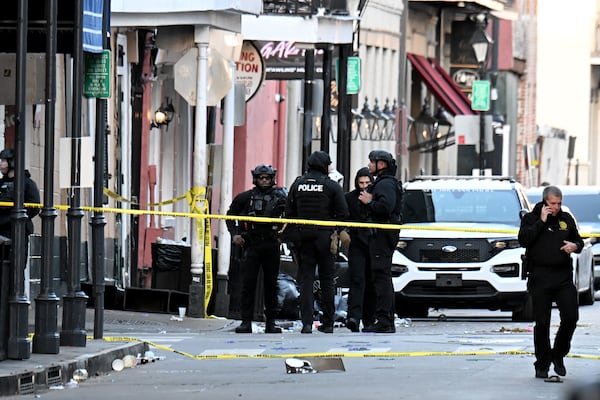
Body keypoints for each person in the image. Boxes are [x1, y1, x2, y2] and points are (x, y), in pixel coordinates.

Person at [518, 185, 583, 379]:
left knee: (571, 317)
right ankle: (542, 364)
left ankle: (558, 354)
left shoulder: (566, 219)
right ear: (545, 201)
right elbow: (524, 240)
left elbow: (578, 241)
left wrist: (575, 246)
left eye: (559, 203)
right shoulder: (531, 218)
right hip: (540, 276)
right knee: (542, 322)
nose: (556, 207)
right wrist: (541, 221)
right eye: (553, 203)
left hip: (562, 277)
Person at [285, 151, 349, 334]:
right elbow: (343, 213)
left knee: (306, 280)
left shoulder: (297, 184)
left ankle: (306, 323)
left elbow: (289, 211)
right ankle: (328, 323)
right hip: (325, 238)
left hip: (303, 238)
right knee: (328, 280)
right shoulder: (331, 186)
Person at [226, 164, 287, 334]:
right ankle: (246, 322)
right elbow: (230, 216)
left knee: (271, 285)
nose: (264, 181)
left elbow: (292, 216)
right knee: (248, 284)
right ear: (255, 178)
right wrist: (235, 234)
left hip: (272, 244)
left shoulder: (282, 197)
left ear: (272, 178)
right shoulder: (245, 197)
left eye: (267, 178)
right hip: (251, 244)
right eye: (261, 178)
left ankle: (271, 322)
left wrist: (283, 236)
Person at [357, 150, 402, 333]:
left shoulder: (385, 185)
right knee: (382, 277)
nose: (369, 166)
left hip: (382, 235)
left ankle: (384, 321)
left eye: (372, 162)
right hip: (383, 234)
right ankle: (385, 320)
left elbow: (385, 207)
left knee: (381, 277)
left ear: (381, 165)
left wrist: (369, 202)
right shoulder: (385, 183)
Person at [344, 167, 376, 332]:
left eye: (367, 182)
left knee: (371, 282)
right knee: (357, 280)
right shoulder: (349, 197)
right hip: (356, 242)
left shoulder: (376, 197)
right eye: (360, 182)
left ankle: (369, 319)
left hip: (373, 243)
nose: (364, 186)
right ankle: (353, 317)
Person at [0, 148, 40, 239]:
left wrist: (19, 218)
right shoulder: (1, 183)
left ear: (11, 162)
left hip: (19, 229)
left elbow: (35, 206)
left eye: (3, 160)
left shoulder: (27, 183)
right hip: (2, 229)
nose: (0, 164)